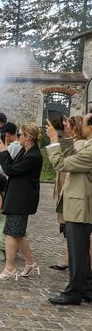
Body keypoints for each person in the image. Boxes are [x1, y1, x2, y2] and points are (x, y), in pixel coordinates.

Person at [45, 116, 92, 305]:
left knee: (77, 252)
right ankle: (87, 289)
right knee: (80, 250)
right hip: (80, 205)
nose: (79, 125)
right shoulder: (86, 145)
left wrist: (54, 141)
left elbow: (60, 164)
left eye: (84, 122)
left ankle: (73, 293)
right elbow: (74, 148)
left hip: (80, 208)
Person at [0, 123, 42, 281]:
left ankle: (10, 268)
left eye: (20, 134)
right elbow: (13, 166)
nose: (18, 137)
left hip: (22, 199)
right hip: (17, 197)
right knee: (18, 234)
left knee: (10, 234)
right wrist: (3, 152)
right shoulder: (24, 150)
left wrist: (4, 153)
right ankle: (30, 263)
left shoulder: (34, 156)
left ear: (28, 137)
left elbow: (11, 171)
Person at [50, 116, 89, 271]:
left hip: (75, 196)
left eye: (69, 125)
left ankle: (77, 271)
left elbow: (61, 162)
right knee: (69, 231)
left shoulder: (81, 145)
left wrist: (54, 139)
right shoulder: (77, 142)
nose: (65, 127)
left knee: (75, 234)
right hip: (67, 191)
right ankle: (68, 260)